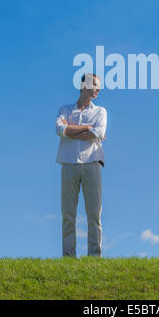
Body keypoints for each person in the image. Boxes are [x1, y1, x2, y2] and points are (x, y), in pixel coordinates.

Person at [55, 73, 107, 257]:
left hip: (92, 164)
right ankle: (68, 256)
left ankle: (95, 255)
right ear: (83, 85)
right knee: (68, 213)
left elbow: (98, 132)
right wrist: (86, 128)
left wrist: (71, 130)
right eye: (94, 85)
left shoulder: (100, 111)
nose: (97, 89)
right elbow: (59, 129)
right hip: (68, 164)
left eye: (99, 86)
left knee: (94, 213)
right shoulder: (65, 109)